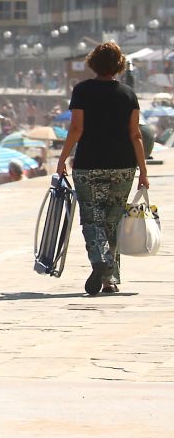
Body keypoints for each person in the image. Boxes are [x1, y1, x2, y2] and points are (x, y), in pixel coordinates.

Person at [58, 42, 150, 296]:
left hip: (89, 165)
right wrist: (143, 171)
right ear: (119, 66)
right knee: (113, 221)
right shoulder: (128, 95)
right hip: (123, 166)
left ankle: (100, 261)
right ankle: (109, 279)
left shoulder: (82, 91)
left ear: (93, 63)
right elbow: (136, 135)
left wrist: (62, 158)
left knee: (91, 217)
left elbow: (77, 129)